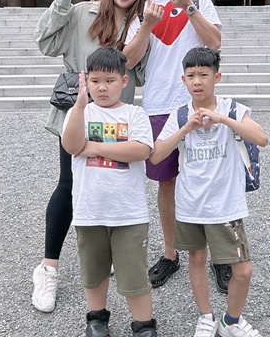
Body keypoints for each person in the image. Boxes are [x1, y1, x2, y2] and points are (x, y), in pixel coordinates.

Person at [32, 0, 148, 313]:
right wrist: (61, 3)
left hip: (119, 118)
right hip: (78, 115)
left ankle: (106, 251)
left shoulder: (140, 24)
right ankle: (48, 267)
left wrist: (145, 29)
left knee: (111, 182)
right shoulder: (83, 12)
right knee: (68, 184)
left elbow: (134, 69)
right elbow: (46, 45)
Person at [123, 0, 223, 290]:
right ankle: (170, 253)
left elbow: (214, 43)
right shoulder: (142, 9)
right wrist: (148, 24)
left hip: (199, 103)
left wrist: (190, 8)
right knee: (166, 183)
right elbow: (129, 61)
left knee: (208, 177)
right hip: (158, 104)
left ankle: (219, 255)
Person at [150, 47, 268, 337]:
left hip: (225, 204)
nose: (197, 81)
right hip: (190, 203)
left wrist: (223, 120)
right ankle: (206, 317)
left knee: (242, 269)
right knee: (196, 259)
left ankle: (231, 320)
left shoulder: (231, 109)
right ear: (183, 80)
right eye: (191, 76)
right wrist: (185, 129)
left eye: (204, 74)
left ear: (217, 76)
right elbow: (155, 155)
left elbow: (262, 138)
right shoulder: (179, 115)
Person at [61, 48, 158, 337]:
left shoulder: (135, 114)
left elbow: (140, 150)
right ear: (86, 82)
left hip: (128, 212)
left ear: (124, 81)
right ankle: (96, 318)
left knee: (134, 273)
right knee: (94, 270)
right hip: (90, 210)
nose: (102, 87)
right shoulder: (80, 112)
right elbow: (71, 145)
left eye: (110, 80)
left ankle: (143, 324)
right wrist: (78, 106)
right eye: (95, 81)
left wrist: (96, 147)